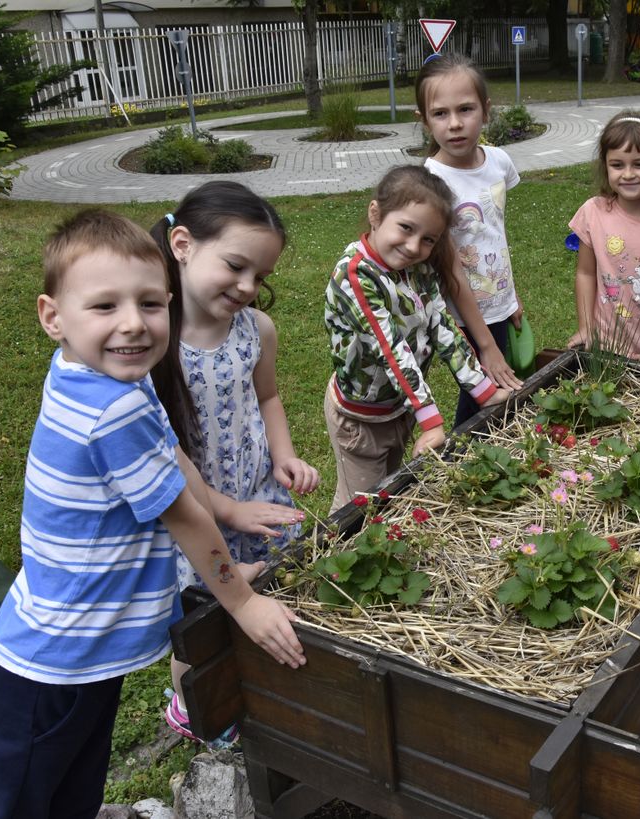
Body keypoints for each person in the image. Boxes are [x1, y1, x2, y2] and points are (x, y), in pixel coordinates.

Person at [0, 210, 305, 819]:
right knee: (16, 807)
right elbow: (184, 518)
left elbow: (175, 460)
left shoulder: (108, 375)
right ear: (53, 317)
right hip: (51, 673)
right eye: (105, 307)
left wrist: (219, 549)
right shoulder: (110, 410)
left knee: (71, 795)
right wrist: (242, 602)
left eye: (150, 305)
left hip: (80, 662)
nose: (133, 325)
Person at [148, 180, 319, 745]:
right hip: (193, 511)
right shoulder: (149, 346)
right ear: (182, 245)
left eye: (260, 276)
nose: (248, 287)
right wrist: (227, 510)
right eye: (235, 266)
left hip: (254, 492)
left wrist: (285, 456)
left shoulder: (256, 331)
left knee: (273, 586)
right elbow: (165, 458)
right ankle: (192, 703)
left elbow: (266, 397)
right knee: (202, 623)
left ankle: (260, 683)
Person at [324, 165, 511, 512]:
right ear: (376, 214)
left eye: (428, 239)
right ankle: (334, 564)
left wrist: (483, 391)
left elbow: (443, 326)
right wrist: (432, 421)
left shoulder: (418, 269)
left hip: (398, 407)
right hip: (361, 418)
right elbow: (392, 350)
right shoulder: (355, 276)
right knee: (358, 508)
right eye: (406, 228)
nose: (414, 246)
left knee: (390, 491)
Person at [416, 53, 525, 426]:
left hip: (497, 303)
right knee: (480, 392)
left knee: (492, 390)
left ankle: (482, 453)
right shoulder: (430, 183)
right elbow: (451, 268)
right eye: (440, 114)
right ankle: (465, 459)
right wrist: (487, 346)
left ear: (486, 110)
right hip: (459, 315)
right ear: (424, 120)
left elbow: (495, 234)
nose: (456, 124)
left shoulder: (499, 162)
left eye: (466, 109)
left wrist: (510, 298)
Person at [566, 110, 640, 358]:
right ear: (606, 166)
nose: (627, 174)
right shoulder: (593, 212)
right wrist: (586, 328)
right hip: (603, 347)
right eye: (617, 165)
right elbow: (585, 273)